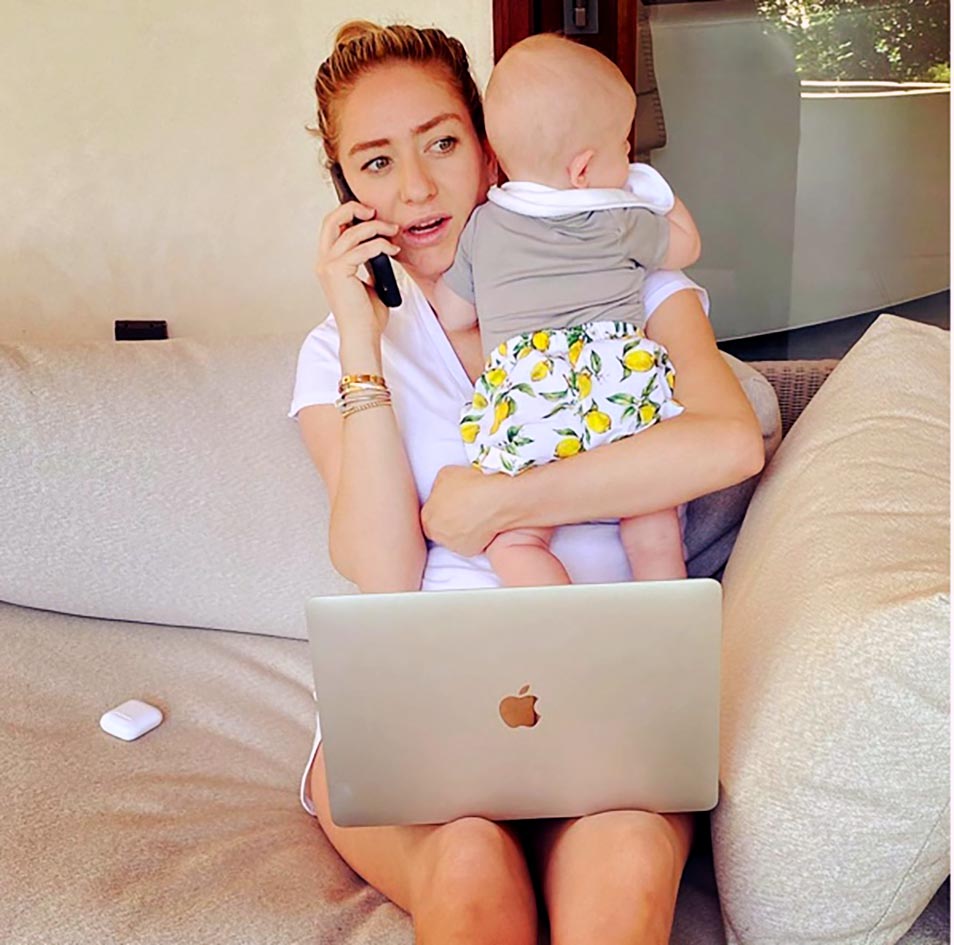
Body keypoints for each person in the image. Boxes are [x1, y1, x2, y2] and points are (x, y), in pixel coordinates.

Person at [290, 19, 765, 945]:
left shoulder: (629, 276)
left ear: (490, 146)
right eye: (376, 163)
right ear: (346, 190)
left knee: (624, 856)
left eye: (441, 142)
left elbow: (727, 446)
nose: (418, 187)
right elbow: (384, 570)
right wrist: (359, 341)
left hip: (609, 696)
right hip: (424, 713)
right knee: (466, 861)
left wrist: (499, 502)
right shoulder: (339, 354)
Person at [433, 34, 702, 587]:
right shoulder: (620, 219)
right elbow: (687, 246)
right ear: (583, 170)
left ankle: (565, 619)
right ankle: (669, 626)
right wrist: (657, 193)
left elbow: (454, 314)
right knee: (652, 519)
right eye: (624, 150)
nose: (629, 161)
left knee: (516, 540)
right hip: (617, 388)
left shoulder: (484, 227)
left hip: (528, 398)